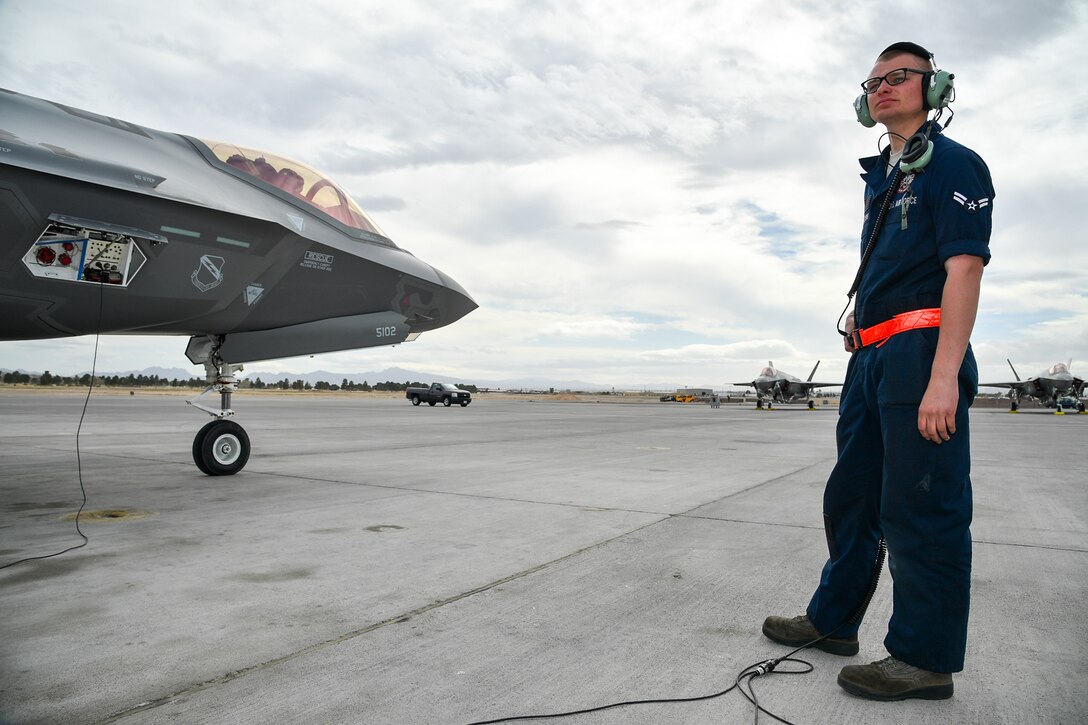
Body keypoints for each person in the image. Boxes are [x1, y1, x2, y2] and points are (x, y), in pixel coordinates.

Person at [762, 41, 994, 701]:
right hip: (871, 357)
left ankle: (923, 657)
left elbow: (964, 270)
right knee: (854, 497)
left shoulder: (955, 164)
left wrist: (944, 375)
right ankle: (834, 619)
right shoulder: (885, 172)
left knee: (920, 506)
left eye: (899, 77)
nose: (883, 88)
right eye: (872, 81)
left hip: (921, 356)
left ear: (936, 85)